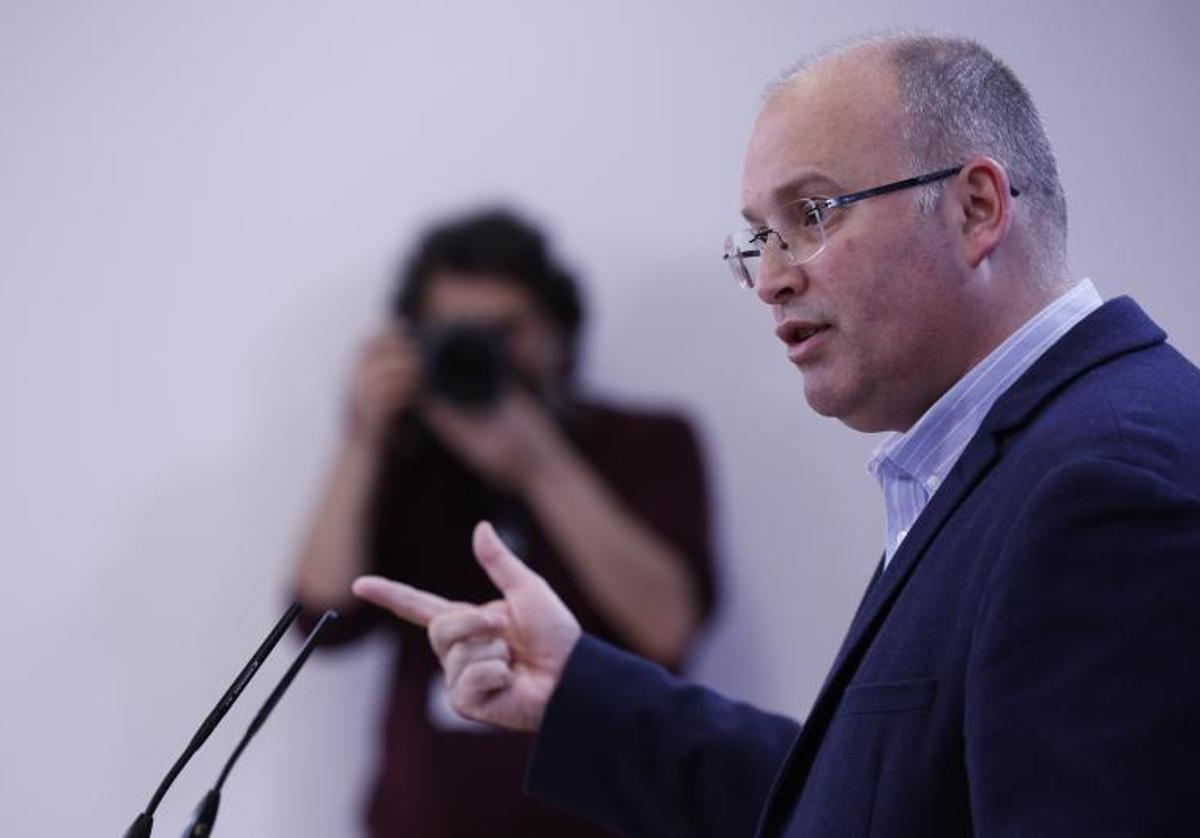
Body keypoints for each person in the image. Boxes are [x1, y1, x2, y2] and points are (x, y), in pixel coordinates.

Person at [353, 35, 1200, 837]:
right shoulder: (1017, 456)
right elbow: (870, 806)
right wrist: (578, 693)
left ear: (976, 209)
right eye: (760, 236)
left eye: (812, 213)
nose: (770, 279)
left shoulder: (1103, 482)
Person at [293, 209, 716, 836]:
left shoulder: (646, 443)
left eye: (505, 329)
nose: (482, 351)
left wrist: (539, 463)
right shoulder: (407, 457)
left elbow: (668, 629)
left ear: (557, 331)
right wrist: (362, 437)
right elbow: (320, 617)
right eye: (453, 333)